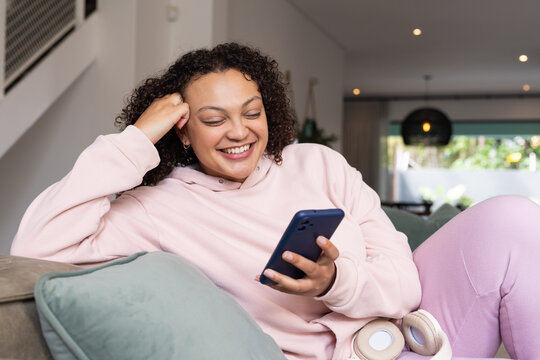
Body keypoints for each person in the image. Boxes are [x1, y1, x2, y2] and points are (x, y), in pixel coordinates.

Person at [10, 43, 540, 360]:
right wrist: (134, 141)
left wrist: (337, 283)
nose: (239, 132)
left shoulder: (317, 163)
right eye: (214, 120)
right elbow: (37, 244)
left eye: (252, 111)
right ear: (182, 131)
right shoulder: (153, 209)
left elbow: (406, 283)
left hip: (419, 337)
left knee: (508, 218)